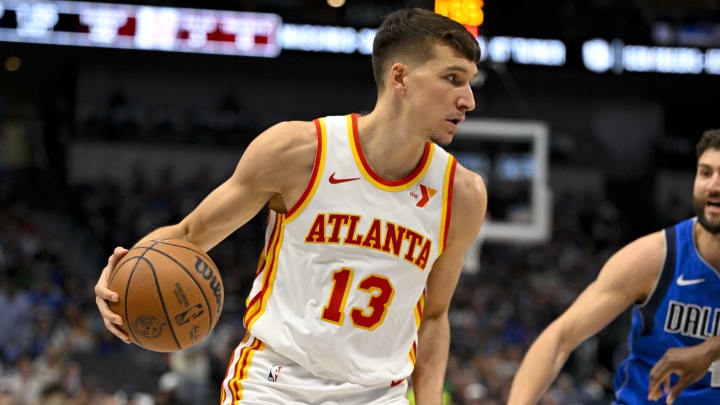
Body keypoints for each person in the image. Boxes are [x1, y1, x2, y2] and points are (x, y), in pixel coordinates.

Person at [94, 8, 487, 405]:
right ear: (400, 76)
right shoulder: (300, 151)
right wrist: (118, 277)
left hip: (378, 394)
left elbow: (434, 316)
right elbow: (189, 236)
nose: (468, 100)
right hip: (275, 383)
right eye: (452, 78)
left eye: (469, 83)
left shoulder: (463, 194)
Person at [508, 129, 720, 405]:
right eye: (705, 173)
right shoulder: (656, 256)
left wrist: (711, 349)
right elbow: (559, 338)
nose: (713, 185)